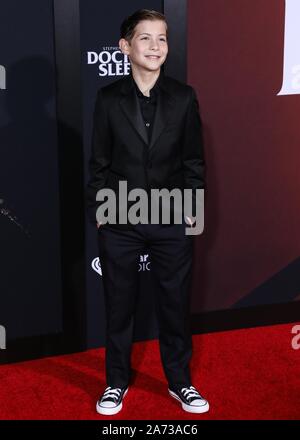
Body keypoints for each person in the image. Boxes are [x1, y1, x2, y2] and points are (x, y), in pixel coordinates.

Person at [86, 9, 209, 416]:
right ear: (125, 47)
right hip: (120, 219)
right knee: (119, 306)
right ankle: (116, 383)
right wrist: (100, 211)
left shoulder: (184, 96)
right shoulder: (107, 99)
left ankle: (180, 382)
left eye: (162, 38)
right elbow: (99, 162)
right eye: (145, 38)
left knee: (174, 304)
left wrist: (192, 207)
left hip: (172, 217)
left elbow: (194, 160)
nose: (156, 46)